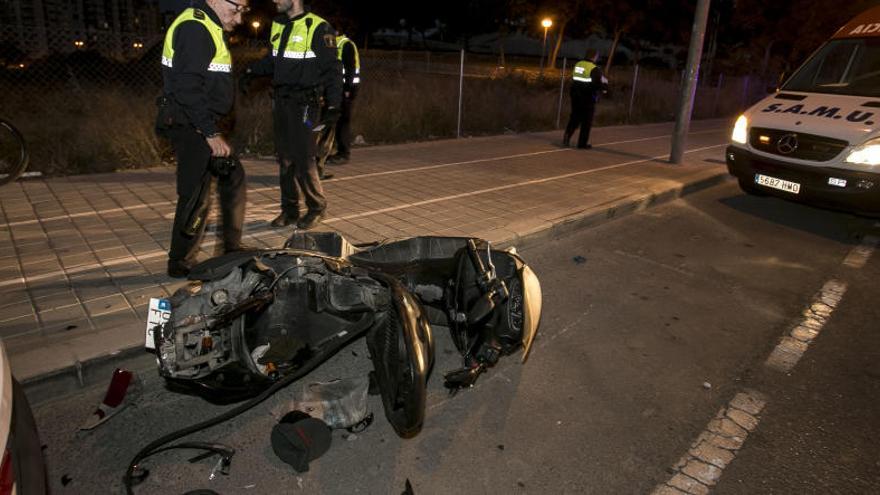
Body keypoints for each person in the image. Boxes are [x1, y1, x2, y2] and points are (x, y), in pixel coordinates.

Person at [157, 0, 250, 278]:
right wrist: (209, 132)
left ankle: (230, 247)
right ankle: (179, 261)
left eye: (244, 11)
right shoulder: (195, 27)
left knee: (231, 176)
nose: (240, 18)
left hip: (198, 122)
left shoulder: (207, 24)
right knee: (195, 195)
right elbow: (187, 88)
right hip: (192, 124)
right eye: (237, 9)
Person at [243, 0, 342, 230]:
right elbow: (273, 60)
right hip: (282, 103)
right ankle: (289, 211)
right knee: (285, 157)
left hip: (307, 106)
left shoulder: (318, 27)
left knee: (304, 156)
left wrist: (334, 105)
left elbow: (333, 70)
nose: (274, 0)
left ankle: (316, 207)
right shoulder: (278, 24)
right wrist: (250, 71)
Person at [563, 48, 609, 150]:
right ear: (594, 57)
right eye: (597, 56)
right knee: (586, 121)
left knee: (574, 117)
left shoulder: (578, 64)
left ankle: (566, 137)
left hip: (575, 95)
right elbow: (596, 84)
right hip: (587, 97)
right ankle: (582, 143)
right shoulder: (594, 68)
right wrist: (605, 86)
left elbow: (576, 78)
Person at [326, 32, 360, 165]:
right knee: (334, 121)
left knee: (342, 122)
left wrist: (347, 89)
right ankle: (332, 150)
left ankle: (343, 153)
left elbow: (350, 68)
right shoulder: (331, 43)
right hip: (335, 89)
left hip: (345, 90)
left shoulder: (345, 44)